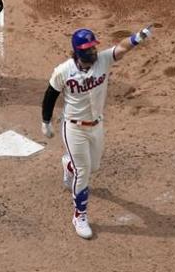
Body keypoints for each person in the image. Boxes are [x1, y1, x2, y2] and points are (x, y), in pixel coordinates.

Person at [41, 25, 153, 239]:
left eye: (94, 48)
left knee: (93, 167)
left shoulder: (103, 60)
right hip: (74, 128)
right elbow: (50, 95)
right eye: (89, 49)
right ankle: (79, 216)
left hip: (96, 126)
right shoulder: (63, 71)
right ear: (79, 51)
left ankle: (68, 165)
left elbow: (121, 48)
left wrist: (138, 37)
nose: (93, 52)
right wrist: (45, 122)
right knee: (84, 173)